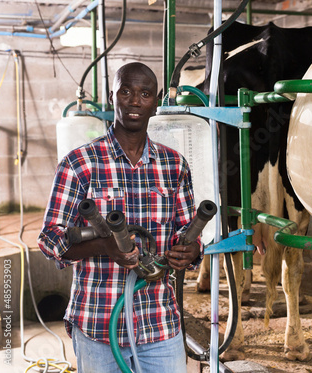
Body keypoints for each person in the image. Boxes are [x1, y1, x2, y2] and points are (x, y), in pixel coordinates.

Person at [38, 62, 202, 373]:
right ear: (112, 97)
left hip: (159, 325)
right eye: (125, 92)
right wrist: (104, 247)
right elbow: (49, 239)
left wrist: (191, 252)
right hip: (99, 327)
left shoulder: (174, 165)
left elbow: (186, 233)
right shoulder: (80, 163)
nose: (135, 101)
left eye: (145, 93)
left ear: (155, 103)